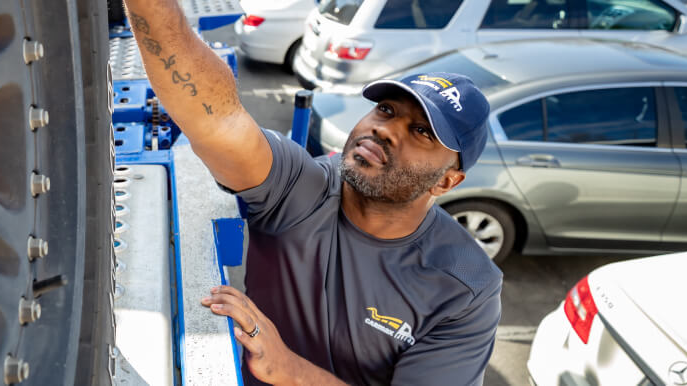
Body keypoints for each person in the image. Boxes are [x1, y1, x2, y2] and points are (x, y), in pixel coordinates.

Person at [120, 1, 503, 385]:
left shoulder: (465, 288)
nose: (386, 129)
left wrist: (289, 370)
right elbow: (219, 121)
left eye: (421, 132)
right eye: (386, 109)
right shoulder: (301, 189)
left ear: (446, 182)